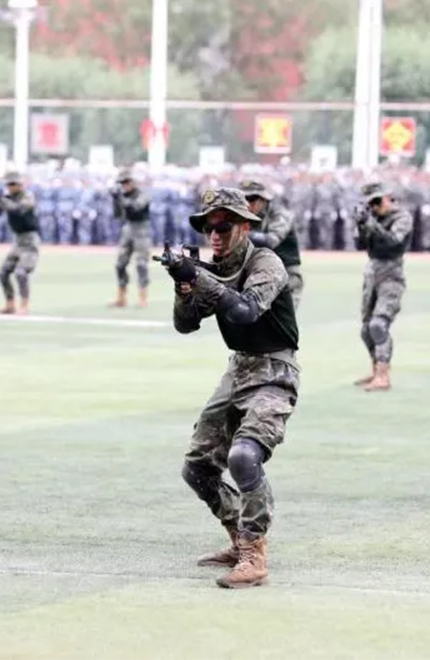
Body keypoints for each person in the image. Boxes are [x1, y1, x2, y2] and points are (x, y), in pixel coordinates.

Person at [167, 187, 299, 589]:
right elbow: (186, 325)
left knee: (244, 456)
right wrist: (183, 286)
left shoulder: (266, 262)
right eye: (209, 228)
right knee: (198, 468)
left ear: (245, 226)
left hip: (274, 369)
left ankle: (254, 553)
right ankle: (237, 536)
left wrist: (200, 277)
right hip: (238, 368)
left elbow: (244, 310)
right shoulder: (216, 267)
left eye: (223, 226)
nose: (215, 235)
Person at [352, 181, 413, 390]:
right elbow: (359, 244)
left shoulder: (401, 218)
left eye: (377, 201)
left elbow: (393, 242)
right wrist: (361, 224)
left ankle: (383, 376)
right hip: (372, 273)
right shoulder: (373, 219)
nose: (376, 207)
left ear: (388, 197)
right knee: (366, 329)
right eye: (372, 203)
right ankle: (375, 370)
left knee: (379, 325)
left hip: (391, 274)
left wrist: (371, 225)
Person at [241, 179, 304, 308]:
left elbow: (271, 240)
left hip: (286, 275)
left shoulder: (280, 215)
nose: (247, 204)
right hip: (257, 274)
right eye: (243, 199)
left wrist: (241, 233)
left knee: (284, 324)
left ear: (264, 199)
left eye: (252, 198)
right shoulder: (243, 217)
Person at [0, 171, 39, 315]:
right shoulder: (8, 198)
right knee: (3, 273)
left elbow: (18, 209)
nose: (10, 187)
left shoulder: (28, 197)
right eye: (8, 185)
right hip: (17, 240)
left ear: (20, 185)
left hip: (30, 240)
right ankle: (10, 304)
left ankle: (24, 305)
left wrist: (3, 201)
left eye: (13, 184)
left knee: (21, 272)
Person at [108, 168, 152, 308]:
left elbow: (136, 207)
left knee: (141, 264)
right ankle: (121, 297)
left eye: (126, 182)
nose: (124, 185)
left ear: (133, 182)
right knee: (120, 264)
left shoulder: (142, 195)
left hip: (142, 230)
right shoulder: (123, 196)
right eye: (122, 183)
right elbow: (117, 215)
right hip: (128, 229)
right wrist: (115, 200)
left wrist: (120, 198)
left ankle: (142, 297)